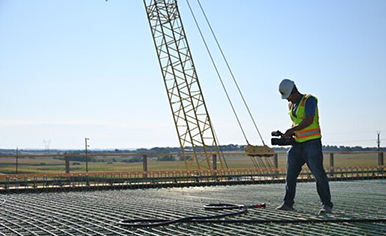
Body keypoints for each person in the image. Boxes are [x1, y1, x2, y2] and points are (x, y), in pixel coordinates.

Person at [276, 78, 333, 214]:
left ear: (294, 91)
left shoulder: (309, 100)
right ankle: (287, 203)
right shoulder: (291, 105)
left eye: (289, 97)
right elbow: (297, 122)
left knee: (319, 175)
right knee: (290, 175)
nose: (288, 100)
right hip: (297, 144)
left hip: (312, 144)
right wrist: (289, 133)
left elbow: (309, 120)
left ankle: (327, 205)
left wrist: (292, 131)